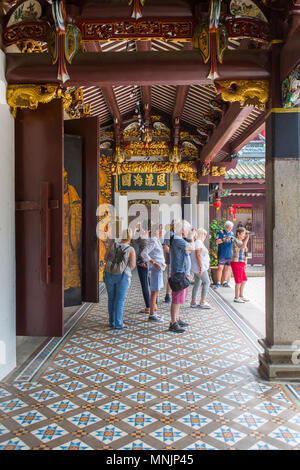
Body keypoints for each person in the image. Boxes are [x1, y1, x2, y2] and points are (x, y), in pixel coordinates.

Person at [104, 228, 136, 329]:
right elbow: (132, 265)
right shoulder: (130, 249)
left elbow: (105, 257)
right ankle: (118, 323)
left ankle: (111, 321)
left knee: (111, 299)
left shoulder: (113, 244)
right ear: (130, 237)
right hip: (123, 276)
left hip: (109, 273)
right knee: (119, 300)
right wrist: (122, 268)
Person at [169, 220, 194, 333]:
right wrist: (192, 238)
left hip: (182, 271)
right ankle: (173, 322)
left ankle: (177, 319)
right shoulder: (177, 239)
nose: (189, 231)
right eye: (188, 229)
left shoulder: (180, 239)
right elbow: (191, 248)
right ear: (183, 230)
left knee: (180, 299)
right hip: (178, 271)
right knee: (176, 298)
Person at [141, 224, 166, 322]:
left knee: (156, 290)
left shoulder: (158, 241)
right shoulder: (154, 241)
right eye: (162, 230)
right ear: (158, 231)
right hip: (155, 270)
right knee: (154, 291)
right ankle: (152, 314)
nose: (163, 232)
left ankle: (153, 313)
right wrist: (154, 263)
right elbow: (144, 253)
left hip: (158, 269)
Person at [132, 221, 151, 314]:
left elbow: (130, 241)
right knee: (152, 285)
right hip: (151, 263)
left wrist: (135, 229)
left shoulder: (141, 237)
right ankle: (154, 305)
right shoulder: (153, 238)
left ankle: (148, 307)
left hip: (142, 263)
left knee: (145, 285)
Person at [190, 228, 212, 309]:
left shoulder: (197, 242)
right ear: (202, 234)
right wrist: (201, 267)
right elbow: (198, 255)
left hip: (197, 267)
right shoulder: (199, 242)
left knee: (197, 283)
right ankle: (202, 301)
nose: (206, 236)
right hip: (199, 267)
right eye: (205, 234)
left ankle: (193, 301)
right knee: (207, 282)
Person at [231, 227, 250, 303]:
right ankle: (236, 297)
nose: (244, 236)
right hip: (236, 262)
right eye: (243, 234)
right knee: (238, 280)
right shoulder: (236, 240)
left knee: (244, 279)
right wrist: (247, 238)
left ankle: (241, 295)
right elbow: (242, 246)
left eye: (245, 234)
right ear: (238, 233)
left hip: (241, 262)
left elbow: (245, 250)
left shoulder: (241, 241)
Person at [213, 220, 234, 289]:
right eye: (228, 227)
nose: (230, 229)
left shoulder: (232, 233)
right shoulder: (221, 232)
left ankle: (225, 282)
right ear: (225, 226)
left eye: (231, 227)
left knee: (227, 268)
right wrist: (224, 239)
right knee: (220, 268)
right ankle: (218, 282)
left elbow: (233, 242)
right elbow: (217, 242)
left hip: (229, 253)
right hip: (222, 253)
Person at [162, 220, 175, 303]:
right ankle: (167, 295)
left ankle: (176, 294)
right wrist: (174, 253)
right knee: (171, 278)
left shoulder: (179, 234)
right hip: (171, 259)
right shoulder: (169, 233)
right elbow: (165, 247)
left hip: (179, 260)